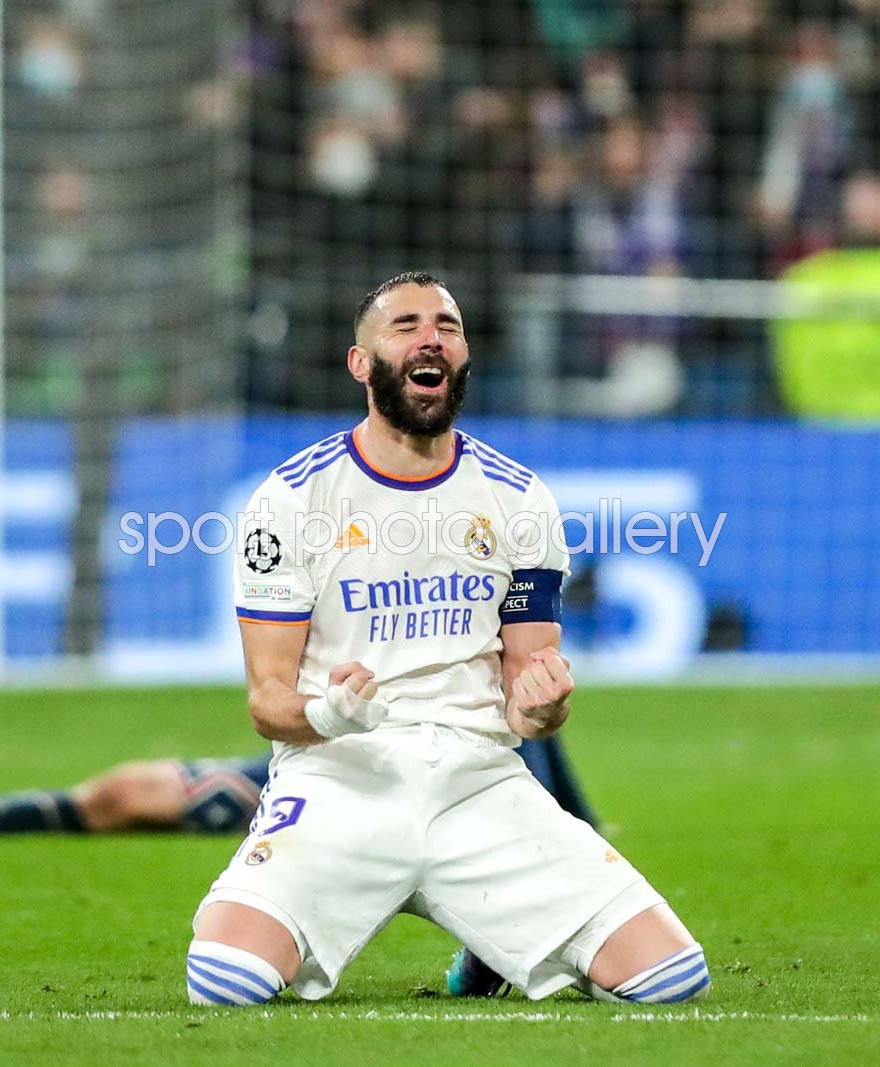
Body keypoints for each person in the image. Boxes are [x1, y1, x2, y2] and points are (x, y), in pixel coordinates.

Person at [186, 271, 708, 1008]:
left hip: (478, 784)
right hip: (340, 780)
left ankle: (488, 948)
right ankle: (263, 896)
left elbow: (528, 695)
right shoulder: (291, 500)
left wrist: (545, 706)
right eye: (405, 325)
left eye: (448, 325)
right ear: (361, 364)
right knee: (224, 980)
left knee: (670, 979)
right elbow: (268, 700)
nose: (431, 336)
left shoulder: (519, 498)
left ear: (462, 358)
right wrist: (328, 717)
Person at [0, 731, 598, 837]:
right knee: (124, 791)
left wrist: (575, 822)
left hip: (370, 797)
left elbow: (530, 712)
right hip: (322, 759)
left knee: (128, 795)